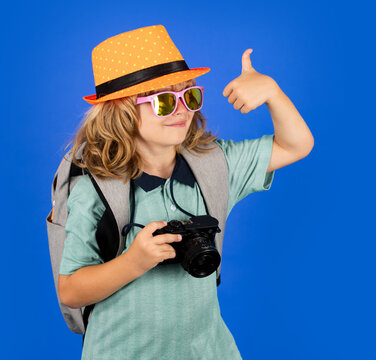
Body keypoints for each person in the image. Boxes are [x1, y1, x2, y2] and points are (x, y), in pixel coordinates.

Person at [57, 24, 314, 359]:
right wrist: (133, 261)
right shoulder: (95, 188)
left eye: (189, 95)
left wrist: (272, 92)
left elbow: (296, 145)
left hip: (207, 351)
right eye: (164, 101)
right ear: (120, 111)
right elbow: (70, 291)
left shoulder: (213, 167)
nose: (182, 109)